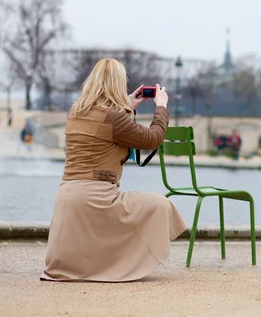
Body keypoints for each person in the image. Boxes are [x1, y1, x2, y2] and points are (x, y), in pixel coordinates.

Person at [41, 58, 187, 282]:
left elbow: (104, 124)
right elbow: (153, 139)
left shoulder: (75, 111)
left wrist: (127, 105)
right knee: (160, 205)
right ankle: (122, 264)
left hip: (66, 199)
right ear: (118, 83)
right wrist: (161, 107)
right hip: (96, 199)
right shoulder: (115, 118)